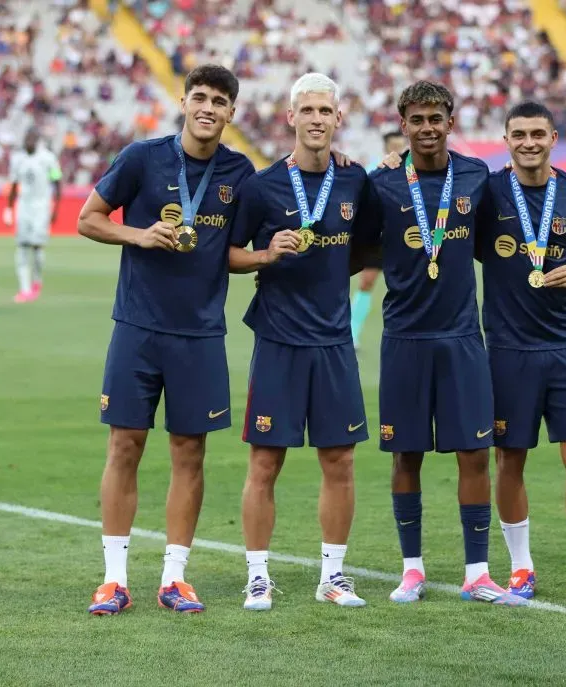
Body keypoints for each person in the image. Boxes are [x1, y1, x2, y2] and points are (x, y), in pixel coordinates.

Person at [77, 65, 256, 615]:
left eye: (219, 101)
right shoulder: (142, 158)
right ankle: (113, 579)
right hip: (137, 326)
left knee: (190, 454)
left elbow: (234, 249)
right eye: (199, 97)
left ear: (231, 113)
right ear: (183, 101)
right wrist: (140, 234)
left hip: (200, 334)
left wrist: (268, 258)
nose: (208, 107)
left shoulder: (240, 173)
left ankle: (174, 578)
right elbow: (89, 219)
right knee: (125, 445)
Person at [367, 81, 523, 606]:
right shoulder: (382, 182)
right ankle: (411, 569)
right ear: (403, 124)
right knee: (405, 455)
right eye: (417, 119)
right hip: (405, 337)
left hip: (461, 338)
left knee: (475, 453)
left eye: (436, 118)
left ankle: (477, 572)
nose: (427, 128)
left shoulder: (477, 175)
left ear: (451, 122)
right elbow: (358, 248)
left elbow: (515, 216)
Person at [228, 73, 377, 611]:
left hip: (334, 342)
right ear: (290, 118)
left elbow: (367, 249)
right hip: (279, 340)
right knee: (265, 463)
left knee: (340, 461)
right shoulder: (262, 186)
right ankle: (258, 576)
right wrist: (266, 254)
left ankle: (333, 577)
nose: (317, 119)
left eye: (326, 110)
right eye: (307, 109)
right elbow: (227, 254)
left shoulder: (356, 181)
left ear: (339, 118)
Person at [479, 101, 566, 603]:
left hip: (564, 344)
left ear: (555, 137)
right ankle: (520, 568)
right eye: (519, 134)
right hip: (508, 346)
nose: (529, 142)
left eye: (538, 133)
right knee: (509, 456)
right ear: (506, 138)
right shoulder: (488, 191)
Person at [351, 130, 406, 350]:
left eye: (401, 145)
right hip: (379, 239)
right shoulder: (374, 170)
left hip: (404, 238)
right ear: (385, 146)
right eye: (394, 145)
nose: (398, 150)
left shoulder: (412, 170)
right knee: (366, 282)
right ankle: (352, 333)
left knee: (407, 284)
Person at [3, 128, 62, 303]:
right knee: (22, 246)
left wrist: (55, 209)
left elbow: (57, 182)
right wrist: (8, 209)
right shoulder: (18, 159)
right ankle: (24, 289)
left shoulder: (48, 158)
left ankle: (37, 281)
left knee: (37, 246)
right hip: (24, 206)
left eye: (32, 139)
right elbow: (13, 185)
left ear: (37, 141)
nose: (28, 142)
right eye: (26, 139)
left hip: (41, 206)